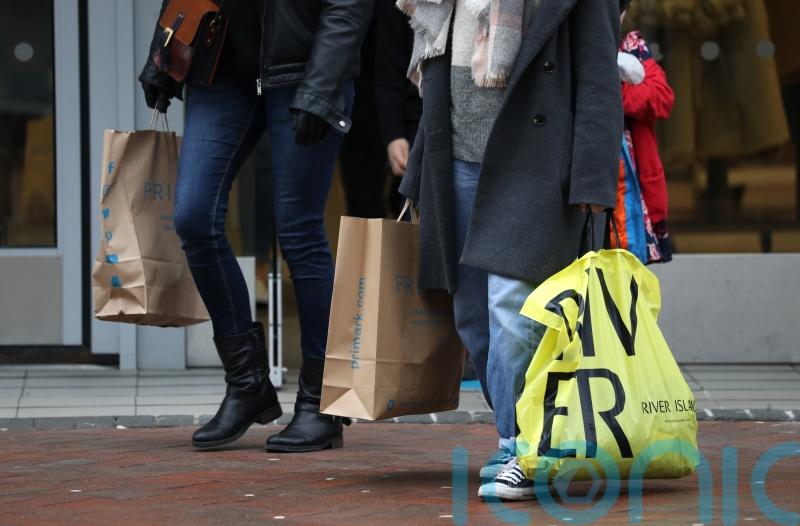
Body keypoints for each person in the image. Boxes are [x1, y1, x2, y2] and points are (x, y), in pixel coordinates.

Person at [398, 0, 626, 500]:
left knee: (512, 308)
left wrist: (591, 179)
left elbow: (598, 80)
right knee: (473, 315)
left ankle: (524, 446)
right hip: (455, 158)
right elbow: (439, 81)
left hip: (533, 163)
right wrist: (419, 169)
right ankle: (514, 440)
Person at [139, 0, 373, 453]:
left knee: (299, 231)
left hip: (303, 71)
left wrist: (323, 86)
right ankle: (247, 384)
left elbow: (348, 6)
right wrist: (163, 53)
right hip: (221, 70)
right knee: (192, 215)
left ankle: (321, 404)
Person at [617, 27, 675, 262]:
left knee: (628, 278)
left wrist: (612, 90)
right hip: (591, 183)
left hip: (634, 186)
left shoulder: (632, 45)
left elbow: (661, 97)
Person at [374, 0, 423, 216]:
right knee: (410, 209)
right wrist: (393, 134)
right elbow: (389, 70)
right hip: (417, 124)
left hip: (474, 118)